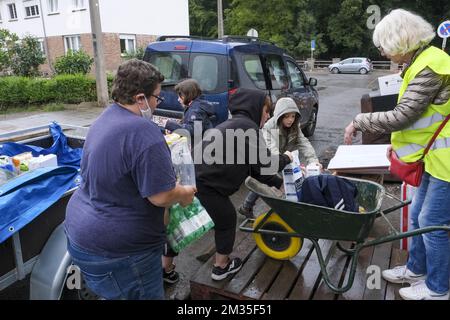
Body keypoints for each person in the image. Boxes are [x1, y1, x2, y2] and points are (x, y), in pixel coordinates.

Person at [64, 59, 196, 300]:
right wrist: (185, 193)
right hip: (120, 252)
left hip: (80, 238)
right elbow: (161, 196)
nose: (158, 103)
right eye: (157, 97)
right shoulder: (144, 132)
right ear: (139, 99)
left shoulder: (104, 119)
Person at [344, 9, 450, 300]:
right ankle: (417, 268)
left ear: (400, 39)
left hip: (447, 164)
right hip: (434, 159)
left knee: (431, 221)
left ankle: (439, 288)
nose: (381, 51)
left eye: (383, 45)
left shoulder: (432, 66)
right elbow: (424, 119)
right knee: (417, 214)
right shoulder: (419, 63)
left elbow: (403, 116)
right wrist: (401, 146)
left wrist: (359, 121)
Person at [194, 88, 293, 280]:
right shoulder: (247, 127)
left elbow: (254, 167)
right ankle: (221, 268)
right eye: (266, 110)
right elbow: (267, 162)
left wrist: (278, 183)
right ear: (255, 108)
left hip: (196, 179)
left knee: (186, 225)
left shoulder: (234, 124)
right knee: (227, 220)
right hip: (206, 185)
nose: (268, 115)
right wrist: (286, 158)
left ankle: (166, 268)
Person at [238, 97, 321, 218]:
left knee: (276, 181)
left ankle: (247, 206)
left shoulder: (295, 126)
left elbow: (303, 142)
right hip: (270, 158)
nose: (290, 120)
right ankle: (249, 207)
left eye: (293, 116)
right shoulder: (269, 127)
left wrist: (313, 162)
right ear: (279, 115)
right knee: (267, 180)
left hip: (285, 157)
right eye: (286, 116)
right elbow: (273, 151)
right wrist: (289, 165)